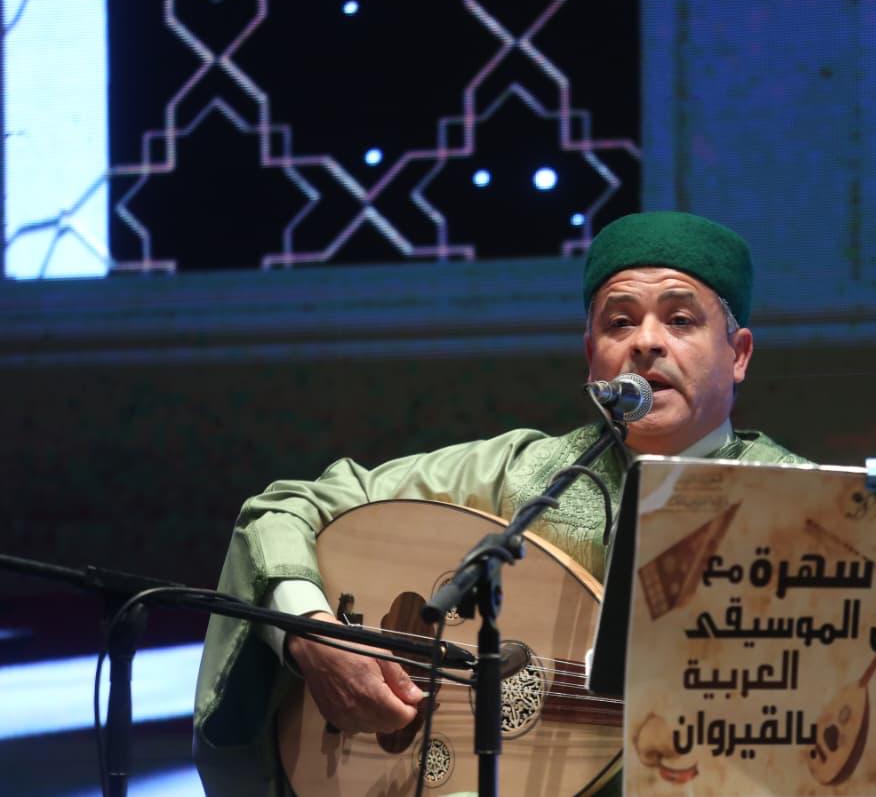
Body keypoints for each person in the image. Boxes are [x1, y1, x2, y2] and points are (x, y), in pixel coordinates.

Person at [193, 210, 810, 794]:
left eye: (680, 320)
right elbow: (284, 509)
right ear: (590, 356)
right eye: (619, 322)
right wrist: (312, 636)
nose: (646, 342)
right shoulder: (519, 473)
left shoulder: (811, 508)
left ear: (738, 355)